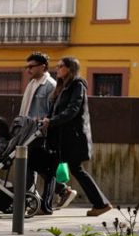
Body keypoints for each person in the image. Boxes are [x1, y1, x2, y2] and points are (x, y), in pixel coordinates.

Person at [40, 56, 112, 218]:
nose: (57, 68)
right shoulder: (62, 87)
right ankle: (100, 203)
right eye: (57, 66)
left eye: (61, 66)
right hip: (62, 137)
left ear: (70, 68)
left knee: (69, 169)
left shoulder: (77, 85)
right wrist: (46, 119)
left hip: (72, 138)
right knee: (58, 168)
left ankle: (101, 204)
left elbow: (73, 110)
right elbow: (56, 110)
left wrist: (52, 121)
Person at [18, 52, 70, 214]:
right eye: (27, 67)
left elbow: (54, 111)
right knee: (31, 164)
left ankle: (26, 199)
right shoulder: (32, 84)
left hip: (41, 133)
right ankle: (60, 191)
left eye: (31, 66)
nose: (28, 70)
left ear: (43, 66)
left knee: (30, 164)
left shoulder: (50, 85)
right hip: (28, 131)